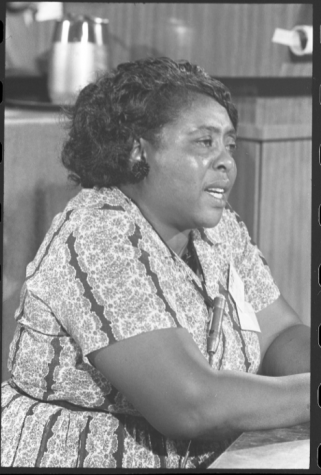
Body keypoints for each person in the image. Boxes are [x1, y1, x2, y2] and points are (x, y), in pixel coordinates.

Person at [1, 57, 310, 469]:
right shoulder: (97, 234)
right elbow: (188, 403)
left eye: (229, 145)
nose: (227, 162)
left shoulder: (219, 229)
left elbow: (279, 334)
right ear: (137, 149)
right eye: (205, 142)